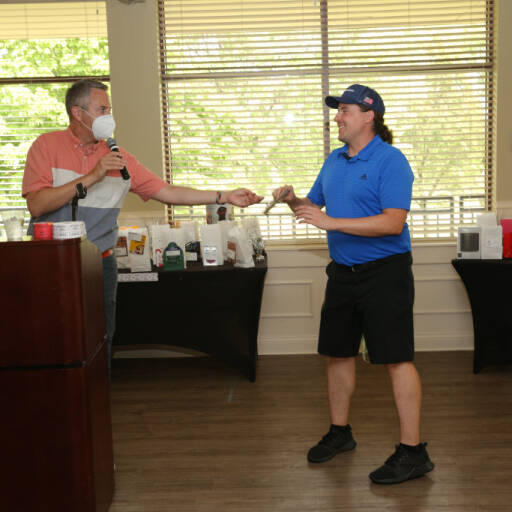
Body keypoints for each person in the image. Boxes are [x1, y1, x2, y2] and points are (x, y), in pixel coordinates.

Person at [22, 79, 263, 373]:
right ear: (78, 113)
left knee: (101, 337)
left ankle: (97, 410)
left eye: (109, 109)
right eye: (102, 109)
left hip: (100, 265)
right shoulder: (46, 146)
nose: (109, 115)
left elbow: (167, 192)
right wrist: (93, 175)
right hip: (51, 265)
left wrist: (224, 196)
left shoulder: (120, 158)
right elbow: (37, 204)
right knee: (49, 339)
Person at [272, 84, 434, 485]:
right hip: (343, 273)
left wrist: (332, 222)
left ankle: (413, 453)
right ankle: (340, 434)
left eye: (344, 110)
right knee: (338, 354)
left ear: (368, 116)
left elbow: (393, 222)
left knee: (397, 358)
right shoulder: (334, 160)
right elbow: (313, 209)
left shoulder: (391, 161)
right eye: (337, 110)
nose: (337, 117)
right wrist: (293, 199)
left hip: (386, 272)